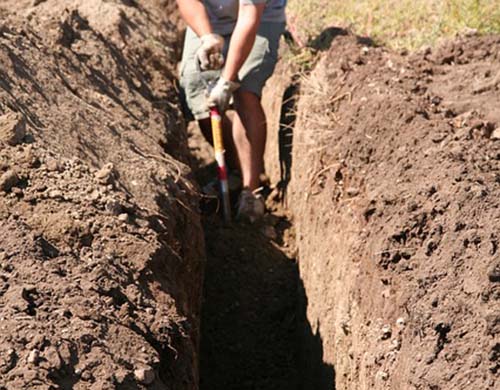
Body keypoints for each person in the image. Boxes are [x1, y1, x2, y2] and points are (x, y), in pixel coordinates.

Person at [177, 0, 286, 222]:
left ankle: (251, 190)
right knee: (197, 91)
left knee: (245, 89)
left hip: (259, 18)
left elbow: (250, 14)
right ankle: (235, 169)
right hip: (211, 18)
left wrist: (226, 81)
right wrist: (207, 37)